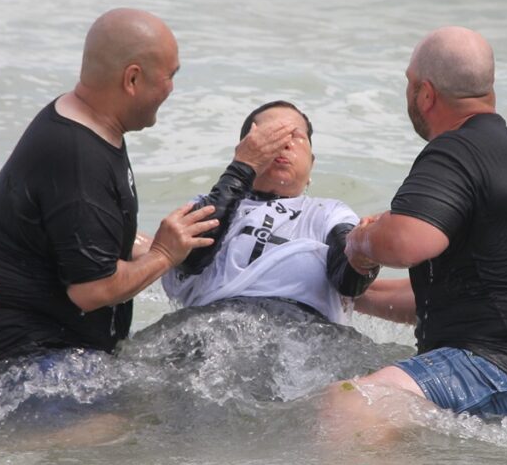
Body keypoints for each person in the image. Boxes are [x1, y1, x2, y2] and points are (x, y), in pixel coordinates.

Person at [338, 26, 507, 423]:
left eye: (409, 84)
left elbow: (407, 241)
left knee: (355, 403)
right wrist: (355, 296)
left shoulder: (454, 151)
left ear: (425, 94)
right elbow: (468, 300)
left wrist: (360, 242)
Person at [0, 9, 218, 382]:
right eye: (170, 76)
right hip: (13, 361)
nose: (171, 88)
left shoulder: (87, 124)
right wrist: (164, 255)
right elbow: (92, 290)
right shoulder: (77, 155)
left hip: (37, 349)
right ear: (132, 79)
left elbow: (79, 233)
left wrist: (145, 246)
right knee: (130, 428)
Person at [162, 101, 378, 324]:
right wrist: (242, 168)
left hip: (304, 331)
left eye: (296, 136)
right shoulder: (205, 207)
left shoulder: (329, 213)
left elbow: (348, 281)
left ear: (311, 163)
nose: (284, 143)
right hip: (211, 324)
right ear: (242, 150)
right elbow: (191, 261)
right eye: (270, 136)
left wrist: (365, 255)